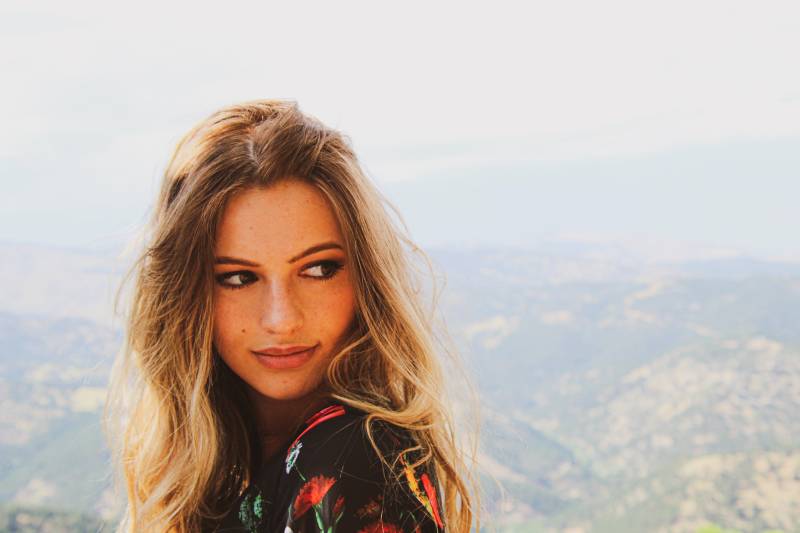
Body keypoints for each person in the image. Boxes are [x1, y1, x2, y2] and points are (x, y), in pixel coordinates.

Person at [104, 99, 481, 532]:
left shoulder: (351, 464)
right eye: (239, 277)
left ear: (366, 280)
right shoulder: (236, 461)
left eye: (318, 269)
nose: (281, 319)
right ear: (187, 296)